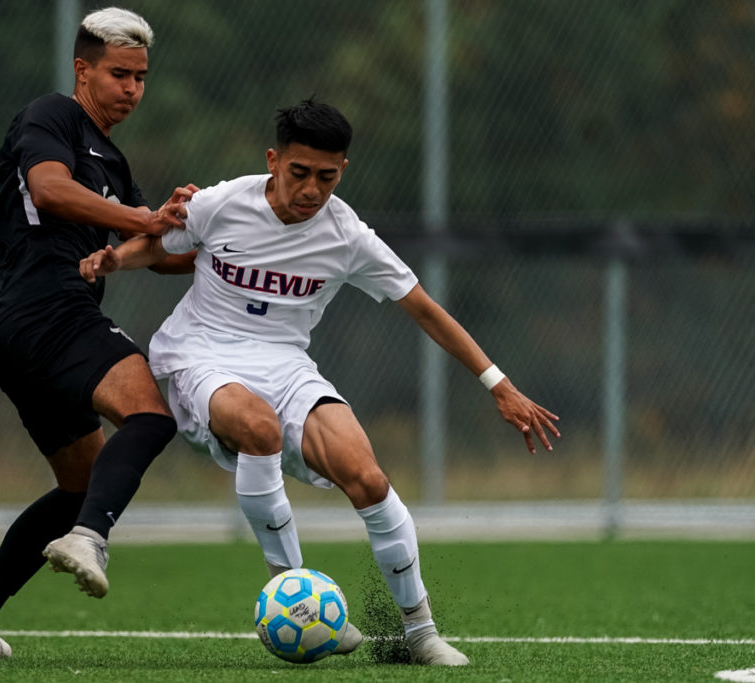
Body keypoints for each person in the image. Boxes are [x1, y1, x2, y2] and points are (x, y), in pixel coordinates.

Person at [79, 99, 560, 667]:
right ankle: (292, 592)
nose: (310, 189)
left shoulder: (348, 236)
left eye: (326, 177)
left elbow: (425, 309)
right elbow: (161, 246)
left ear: (343, 171)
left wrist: (497, 384)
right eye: (298, 173)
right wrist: (113, 261)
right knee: (258, 428)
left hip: (286, 365)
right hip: (197, 355)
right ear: (273, 160)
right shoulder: (220, 203)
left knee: (369, 478)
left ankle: (421, 633)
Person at [0, 7, 197, 658]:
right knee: (150, 415)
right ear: (83, 71)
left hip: (26, 328)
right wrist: (142, 214)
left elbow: (152, 249)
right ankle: (88, 537)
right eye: (118, 74)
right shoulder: (50, 116)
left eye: (140, 77)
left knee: (81, 481)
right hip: (44, 308)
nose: (132, 88)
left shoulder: (113, 156)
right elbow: (49, 190)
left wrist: (228, 245)